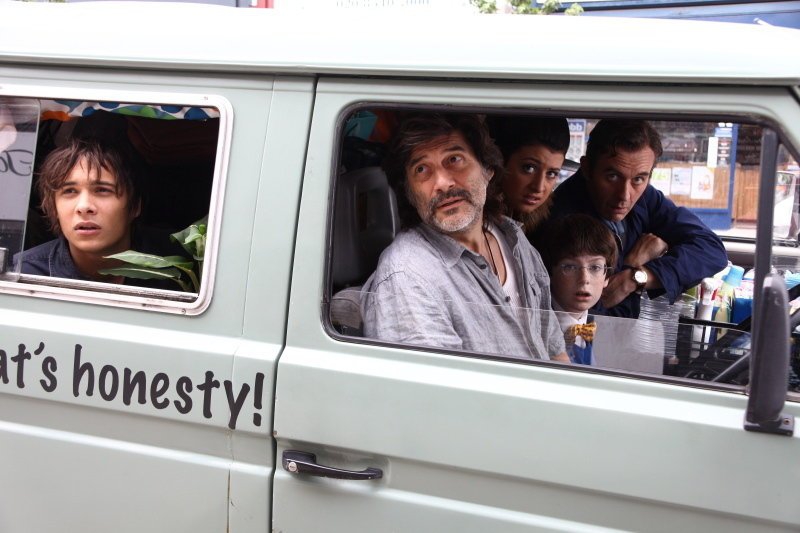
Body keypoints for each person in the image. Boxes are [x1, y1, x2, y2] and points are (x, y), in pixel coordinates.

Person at [361, 113, 568, 362]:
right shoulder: (409, 275)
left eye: (454, 160)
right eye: (421, 169)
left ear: (487, 169)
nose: (442, 182)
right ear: (409, 193)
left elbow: (554, 350)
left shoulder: (512, 236)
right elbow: (435, 385)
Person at [543, 119, 728, 318]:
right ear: (587, 169)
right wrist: (633, 262)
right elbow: (600, 315)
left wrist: (635, 277)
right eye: (613, 176)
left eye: (639, 179)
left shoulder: (645, 197)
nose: (624, 195)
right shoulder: (562, 222)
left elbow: (712, 250)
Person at [16, 137, 177, 287]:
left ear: (135, 206)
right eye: (70, 191)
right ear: (54, 207)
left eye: (102, 190)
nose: (84, 206)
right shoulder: (23, 275)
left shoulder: (179, 267)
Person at [539, 213, 666, 372]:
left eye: (595, 267)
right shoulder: (536, 327)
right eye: (570, 267)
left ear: (607, 277)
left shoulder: (605, 329)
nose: (584, 279)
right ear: (550, 272)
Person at [491, 115, 570, 234]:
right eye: (529, 168)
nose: (539, 187)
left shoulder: (552, 226)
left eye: (551, 173)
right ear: (501, 162)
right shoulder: (476, 225)